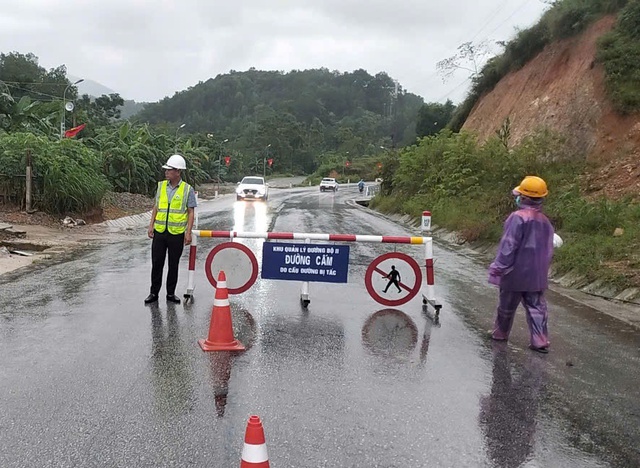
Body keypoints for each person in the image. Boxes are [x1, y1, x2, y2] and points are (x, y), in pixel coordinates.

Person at [488, 176, 554, 353]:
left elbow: (509, 244)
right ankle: (540, 340)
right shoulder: (545, 221)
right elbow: (548, 250)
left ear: (523, 197)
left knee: (506, 305)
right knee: (537, 307)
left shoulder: (517, 218)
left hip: (514, 272)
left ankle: (500, 333)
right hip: (536, 274)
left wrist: (499, 267)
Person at [144, 154, 197, 305]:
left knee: (173, 264)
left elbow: (190, 212)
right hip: (160, 232)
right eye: (166, 169)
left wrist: (188, 233)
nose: (166, 172)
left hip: (177, 234)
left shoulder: (187, 189)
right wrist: (151, 225)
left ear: (178, 172)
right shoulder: (161, 186)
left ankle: (170, 294)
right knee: (157, 263)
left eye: (169, 170)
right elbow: (156, 206)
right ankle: (153, 293)